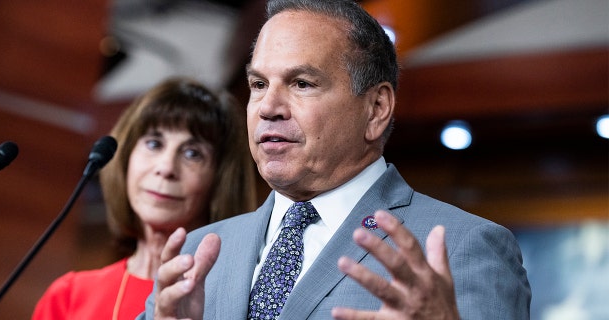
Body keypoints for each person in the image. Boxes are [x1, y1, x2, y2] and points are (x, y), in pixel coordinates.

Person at [141, 1, 532, 319]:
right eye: (259, 85)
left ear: (376, 108)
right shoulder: (195, 255)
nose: (268, 108)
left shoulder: (463, 248)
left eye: (302, 83)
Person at [32, 77, 257, 319]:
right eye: (154, 143)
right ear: (127, 157)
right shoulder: (69, 296)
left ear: (220, 180)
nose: (166, 167)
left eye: (193, 153)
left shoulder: (239, 303)